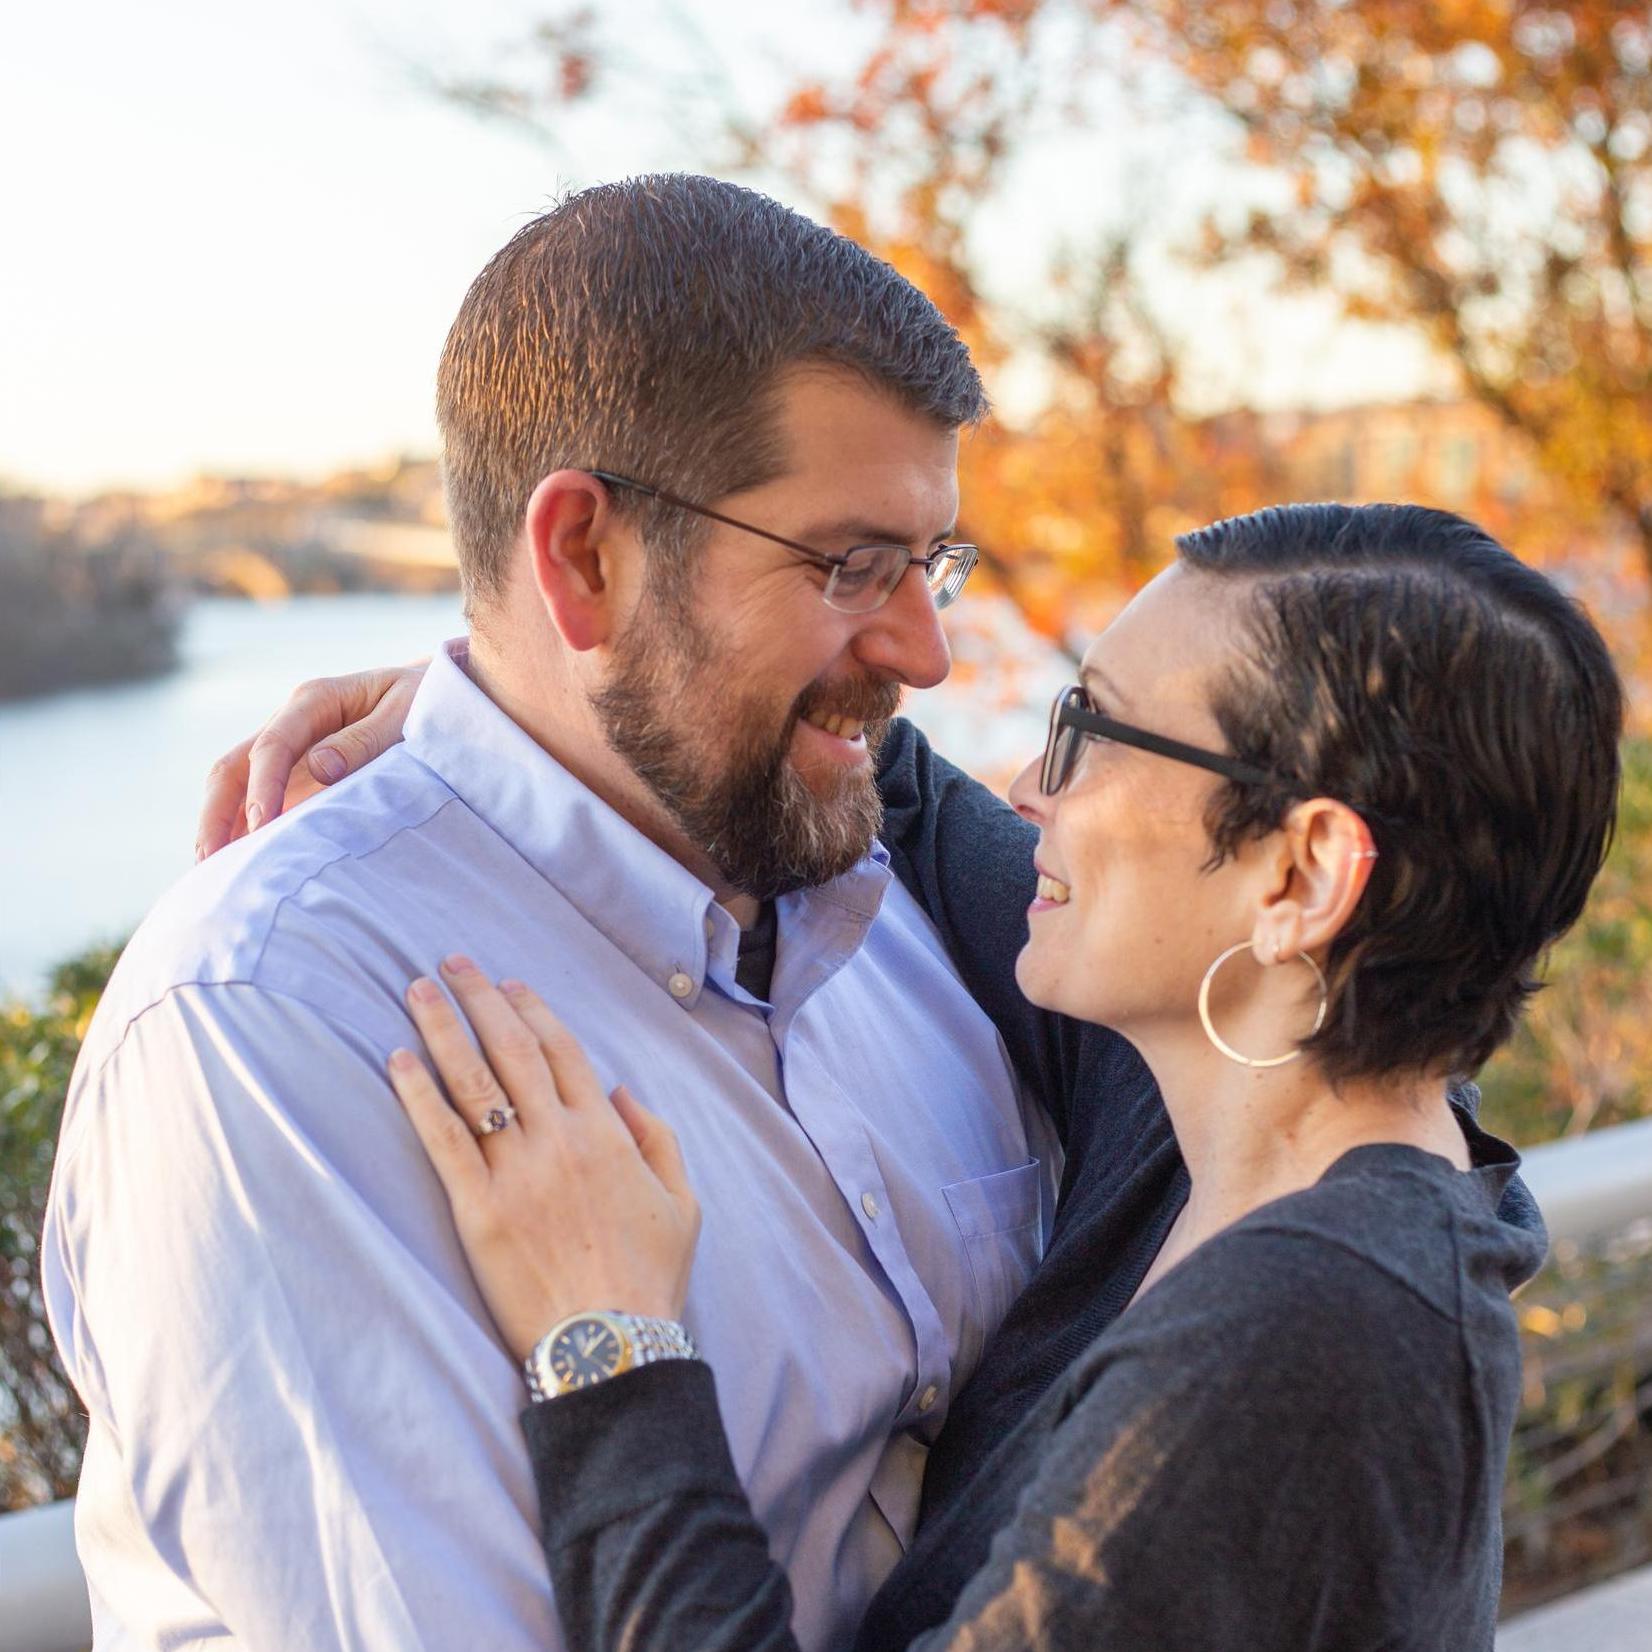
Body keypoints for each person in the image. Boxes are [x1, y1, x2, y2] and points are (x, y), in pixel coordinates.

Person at [42, 175, 1063, 1652]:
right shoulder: (272, 1030)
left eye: (935, 563)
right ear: (583, 558)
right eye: (854, 566)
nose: (929, 652)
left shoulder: (906, 905)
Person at [381, 502, 1622, 1649]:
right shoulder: (1219, 1118)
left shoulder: (1303, 1338)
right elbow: (904, 796)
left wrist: (611, 1346)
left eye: (1088, 730)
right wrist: (517, 705)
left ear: (1300, 877)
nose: (1033, 787)